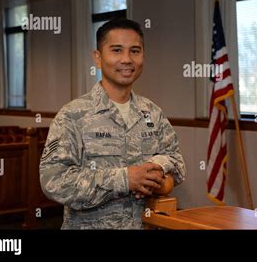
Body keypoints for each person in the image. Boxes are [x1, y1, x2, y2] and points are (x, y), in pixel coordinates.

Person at [39, 18, 186, 229]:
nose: (127, 59)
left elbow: (178, 164)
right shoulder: (72, 115)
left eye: (135, 51)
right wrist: (124, 179)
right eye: (116, 50)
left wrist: (160, 179)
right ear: (98, 58)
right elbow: (54, 181)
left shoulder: (152, 113)